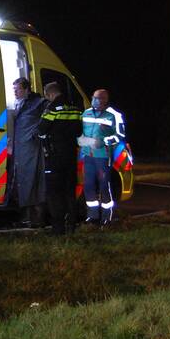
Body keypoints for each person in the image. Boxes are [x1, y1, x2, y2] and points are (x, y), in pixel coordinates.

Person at [39, 82, 83, 234]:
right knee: (69, 192)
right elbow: (78, 132)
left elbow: (41, 129)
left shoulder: (51, 109)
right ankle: (71, 226)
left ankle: (58, 229)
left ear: (49, 94)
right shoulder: (75, 109)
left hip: (55, 156)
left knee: (54, 193)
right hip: (71, 156)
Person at [78, 88, 125, 226]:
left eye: (97, 98)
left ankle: (107, 217)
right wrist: (80, 139)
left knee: (104, 186)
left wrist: (104, 141)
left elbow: (120, 136)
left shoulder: (113, 115)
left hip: (103, 156)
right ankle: (92, 216)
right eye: (93, 97)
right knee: (88, 185)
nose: (94, 100)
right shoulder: (86, 113)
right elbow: (81, 131)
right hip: (88, 155)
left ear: (105, 100)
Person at [9, 77, 48, 227]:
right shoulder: (19, 104)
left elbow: (48, 118)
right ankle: (27, 217)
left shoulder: (38, 103)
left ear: (27, 89)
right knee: (23, 182)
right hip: (21, 150)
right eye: (14, 90)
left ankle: (37, 218)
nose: (15, 92)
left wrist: (37, 134)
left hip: (32, 150)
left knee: (35, 183)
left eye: (18, 89)